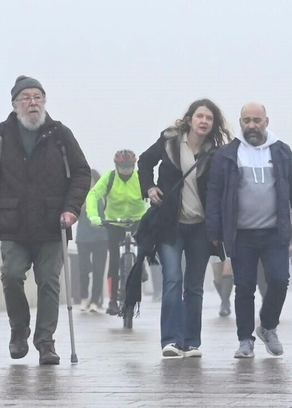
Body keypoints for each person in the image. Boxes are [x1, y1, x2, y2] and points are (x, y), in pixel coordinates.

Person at [0, 76, 92, 364]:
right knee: (12, 275)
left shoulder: (59, 134)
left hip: (51, 223)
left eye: (38, 97)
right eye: (26, 98)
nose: (33, 102)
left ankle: (45, 341)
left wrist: (71, 209)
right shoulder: (1, 135)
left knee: (49, 282)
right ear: (15, 104)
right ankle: (19, 330)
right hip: (13, 223)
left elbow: (81, 173)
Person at [205, 103, 292, 359]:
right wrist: (214, 232)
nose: (251, 125)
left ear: (266, 121)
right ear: (240, 123)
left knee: (279, 280)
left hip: (275, 233)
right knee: (243, 287)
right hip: (241, 234)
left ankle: (267, 326)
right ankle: (245, 340)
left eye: (256, 120)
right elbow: (214, 195)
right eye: (246, 120)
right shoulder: (227, 155)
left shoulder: (282, 152)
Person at [139, 98, 232, 358]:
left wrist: (219, 230)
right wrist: (149, 188)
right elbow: (144, 162)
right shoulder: (169, 141)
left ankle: (191, 342)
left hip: (200, 228)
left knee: (194, 286)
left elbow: (223, 190)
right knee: (172, 279)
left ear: (213, 124)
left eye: (209, 118)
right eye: (199, 116)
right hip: (171, 224)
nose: (204, 121)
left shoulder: (216, 153)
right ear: (190, 119)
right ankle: (170, 340)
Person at [86, 149, 148, 316]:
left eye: (129, 167)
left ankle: (141, 263)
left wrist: (152, 214)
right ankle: (113, 301)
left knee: (146, 241)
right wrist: (94, 216)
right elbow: (93, 195)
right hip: (114, 221)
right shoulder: (110, 178)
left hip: (137, 219)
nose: (126, 170)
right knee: (113, 259)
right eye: (122, 167)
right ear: (116, 166)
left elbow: (152, 195)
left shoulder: (140, 177)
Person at [75, 168, 107, 313]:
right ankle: (84, 297)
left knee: (98, 270)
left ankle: (95, 300)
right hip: (83, 237)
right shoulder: (81, 196)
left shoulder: (104, 196)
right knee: (83, 269)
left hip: (102, 237)